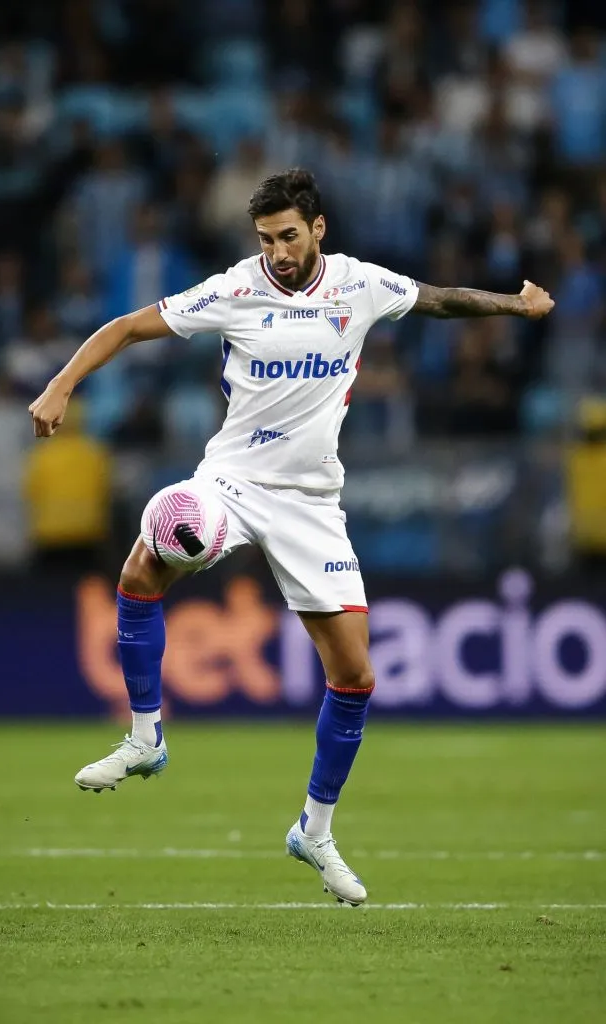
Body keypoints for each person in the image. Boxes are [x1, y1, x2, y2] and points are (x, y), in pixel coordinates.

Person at [29, 168, 554, 906]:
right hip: (232, 483)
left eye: (286, 236)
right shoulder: (236, 289)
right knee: (155, 546)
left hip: (312, 502)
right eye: (265, 239)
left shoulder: (358, 284)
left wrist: (515, 304)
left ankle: (314, 829)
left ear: (317, 229)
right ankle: (146, 738)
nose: (275, 251)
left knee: (355, 676)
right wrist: (60, 385)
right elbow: (125, 328)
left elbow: (438, 300)